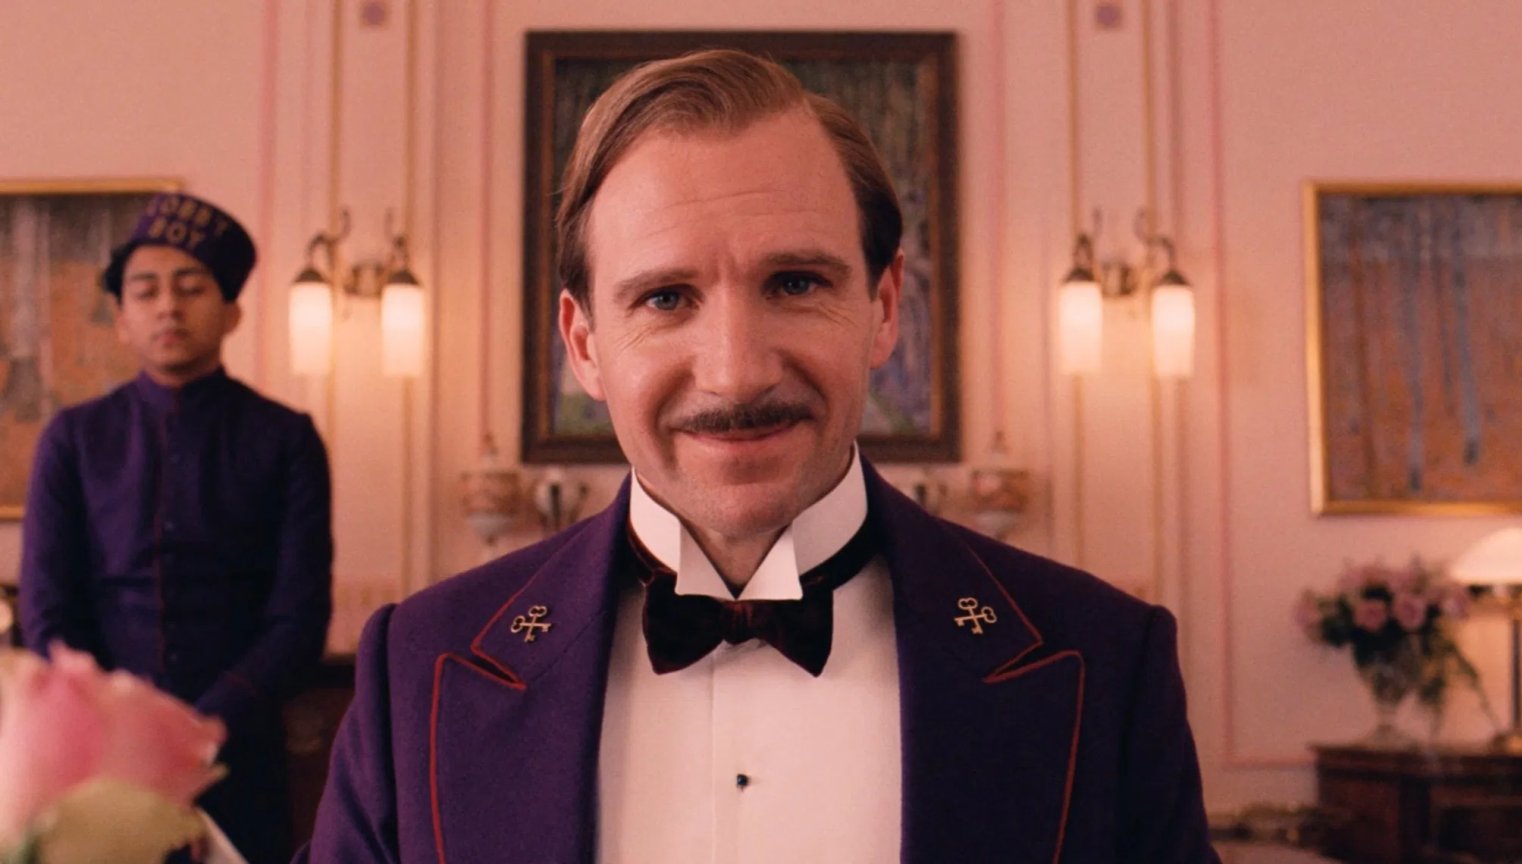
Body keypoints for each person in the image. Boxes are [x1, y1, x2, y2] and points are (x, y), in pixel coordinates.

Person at [303, 50, 1218, 862]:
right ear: (583, 344)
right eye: (665, 298)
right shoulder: (421, 668)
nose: (736, 371)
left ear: (884, 307)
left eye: (795, 282)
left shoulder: (1103, 662)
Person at [18, 191, 334, 864]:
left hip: (239, 753)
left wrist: (202, 729)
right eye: (147, 290)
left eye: (191, 288)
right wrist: (118, 729)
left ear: (231, 312)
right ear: (121, 318)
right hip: (97, 765)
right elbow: (48, 611)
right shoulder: (72, 439)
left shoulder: (286, 439)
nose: (168, 306)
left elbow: (298, 619)